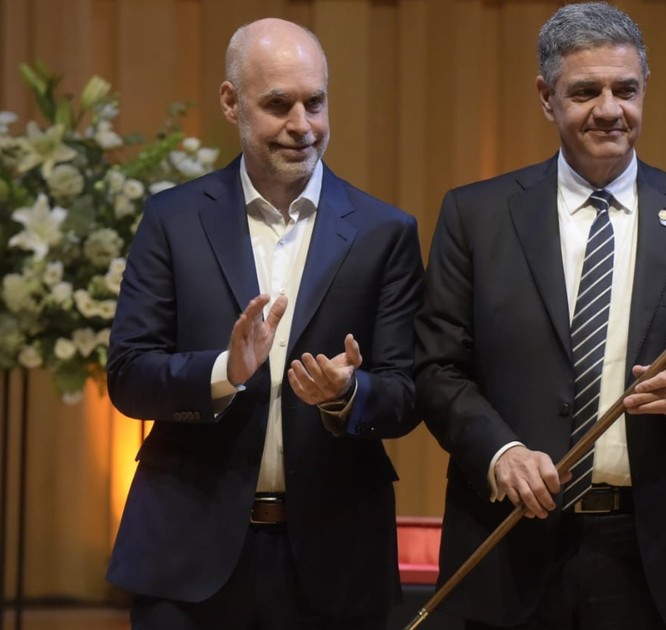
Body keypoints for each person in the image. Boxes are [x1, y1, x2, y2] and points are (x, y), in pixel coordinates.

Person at [414, 3, 666, 629]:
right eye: (585, 92)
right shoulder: (475, 216)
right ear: (546, 97)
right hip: (514, 543)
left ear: (644, 90)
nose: (609, 110)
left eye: (625, 90)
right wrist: (500, 452)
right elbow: (436, 369)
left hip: (662, 548)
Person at [105, 18, 424, 629]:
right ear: (232, 102)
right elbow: (128, 376)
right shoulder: (172, 220)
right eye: (278, 105)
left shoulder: (385, 232)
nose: (302, 125)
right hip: (186, 555)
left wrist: (348, 393)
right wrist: (224, 372)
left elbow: (408, 394)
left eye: (315, 103)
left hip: (335, 558)